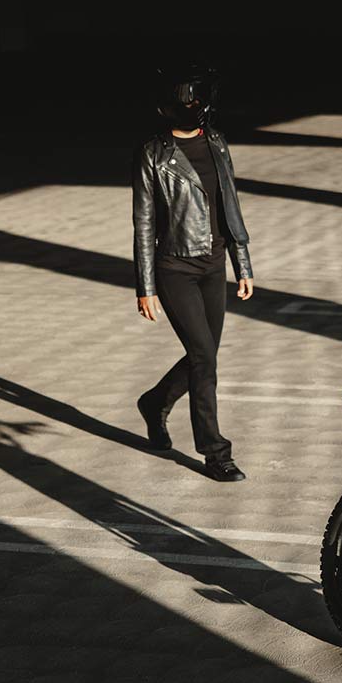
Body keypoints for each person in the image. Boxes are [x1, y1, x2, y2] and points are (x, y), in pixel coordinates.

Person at [132, 63, 254, 482]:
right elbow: (144, 222)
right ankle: (215, 452)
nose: (192, 106)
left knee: (204, 357)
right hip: (175, 267)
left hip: (213, 263)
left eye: (195, 100)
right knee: (203, 357)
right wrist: (145, 287)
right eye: (184, 101)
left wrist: (243, 263)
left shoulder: (217, 142)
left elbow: (230, 204)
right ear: (169, 107)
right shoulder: (153, 153)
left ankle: (154, 402)